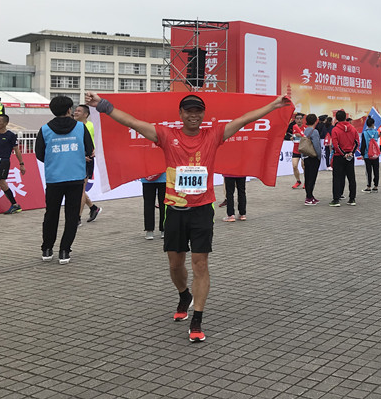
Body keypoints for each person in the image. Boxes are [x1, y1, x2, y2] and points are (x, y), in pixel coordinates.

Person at [85, 90, 291, 342]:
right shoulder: (166, 135)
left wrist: (274, 105)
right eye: (189, 111)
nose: (193, 115)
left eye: (198, 111)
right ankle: (184, 294)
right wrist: (102, 105)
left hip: (203, 209)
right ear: (181, 114)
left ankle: (197, 318)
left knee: (200, 264)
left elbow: (244, 119)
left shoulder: (213, 135)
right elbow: (131, 122)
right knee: (175, 264)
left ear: (203, 115)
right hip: (174, 209)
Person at [37, 96, 95, 265]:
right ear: (69, 110)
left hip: (54, 178)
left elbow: (40, 154)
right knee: (71, 216)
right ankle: (64, 251)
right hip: (76, 178)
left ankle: (47, 249)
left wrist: (55, 159)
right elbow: (89, 149)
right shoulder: (80, 128)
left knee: (51, 214)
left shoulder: (45, 129)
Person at [74, 105, 102, 224]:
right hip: (75, 159)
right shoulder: (73, 126)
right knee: (78, 189)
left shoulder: (91, 126)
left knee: (80, 189)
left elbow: (99, 140)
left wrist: (96, 150)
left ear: (86, 114)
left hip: (87, 159)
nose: (76, 112)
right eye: (75, 110)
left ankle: (77, 218)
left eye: (79, 111)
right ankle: (93, 208)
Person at [329, 109, 359, 206]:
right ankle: (352, 199)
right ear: (345, 117)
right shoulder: (353, 129)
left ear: (336, 118)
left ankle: (336, 199)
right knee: (351, 177)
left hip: (339, 156)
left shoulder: (335, 130)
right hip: (350, 156)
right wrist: (351, 153)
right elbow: (357, 142)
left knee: (337, 178)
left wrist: (343, 154)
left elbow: (335, 144)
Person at [302, 114, 322, 205]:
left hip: (306, 156)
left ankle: (310, 195)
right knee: (312, 177)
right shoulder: (315, 131)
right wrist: (319, 156)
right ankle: (309, 197)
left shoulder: (305, 130)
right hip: (313, 157)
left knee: (307, 177)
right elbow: (317, 145)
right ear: (315, 121)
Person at [141, 173, 167, 239]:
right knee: (164, 205)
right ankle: (164, 230)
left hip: (147, 177)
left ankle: (149, 231)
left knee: (148, 205)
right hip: (164, 177)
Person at [360, 116, 380, 193]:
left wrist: (362, 153)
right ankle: (376, 186)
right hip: (375, 155)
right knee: (376, 170)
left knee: (368, 171)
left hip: (367, 155)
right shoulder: (376, 132)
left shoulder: (365, 133)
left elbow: (363, 144)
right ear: (373, 124)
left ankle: (368, 186)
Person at [289, 113, 305, 189]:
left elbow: (307, 138)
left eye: (300, 118)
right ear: (295, 120)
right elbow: (294, 136)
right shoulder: (293, 127)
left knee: (304, 167)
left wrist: (301, 136)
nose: (299, 120)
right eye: (297, 119)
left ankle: (306, 182)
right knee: (294, 166)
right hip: (295, 150)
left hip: (304, 150)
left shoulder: (305, 127)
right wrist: (293, 137)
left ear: (302, 119)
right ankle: (298, 181)